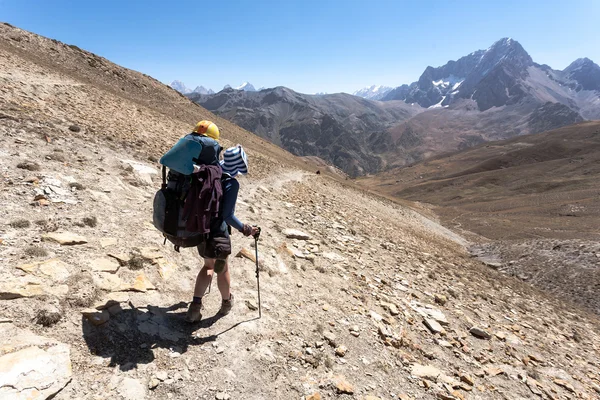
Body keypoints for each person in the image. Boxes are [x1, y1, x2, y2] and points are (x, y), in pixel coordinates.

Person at [186, 145, 259, 323]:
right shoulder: (231, 183)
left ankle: (195, 308)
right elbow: (227, 216)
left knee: (207, 267)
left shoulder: (211, 172)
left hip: (201, 228)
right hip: (218, 234)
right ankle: (226, 303)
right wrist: (246, 229)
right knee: (222, 269)